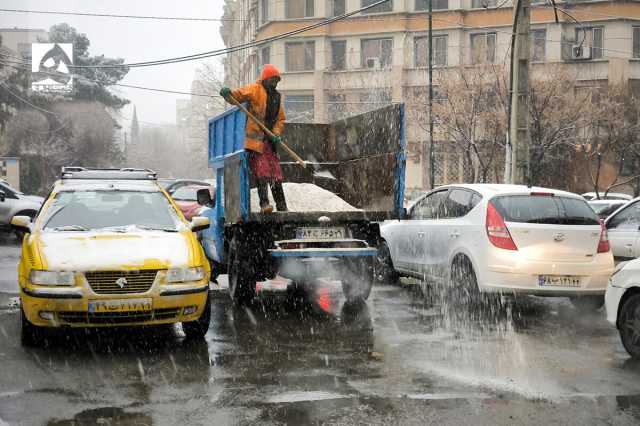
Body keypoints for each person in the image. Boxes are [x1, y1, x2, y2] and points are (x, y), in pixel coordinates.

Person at [219, 64, 288, 213]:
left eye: (277, 80)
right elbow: (238, 96)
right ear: (265, 79)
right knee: (262, 171)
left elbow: (280, 119)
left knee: (276, 174)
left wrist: (276, 133)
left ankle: (282, 206)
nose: (275, 83)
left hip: (270, 143)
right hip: (256, 143)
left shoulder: (277, 97)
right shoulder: (255, 90)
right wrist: (228, 93)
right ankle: (264, 204)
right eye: (272, 80)